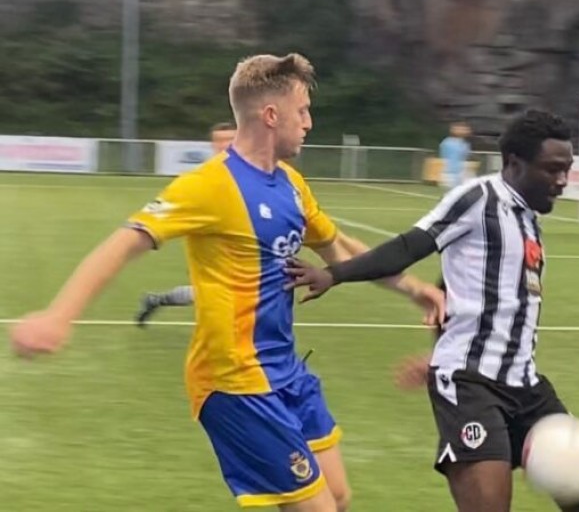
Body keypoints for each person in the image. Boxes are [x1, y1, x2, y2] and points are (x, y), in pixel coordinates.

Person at [10, 52, 444, 512]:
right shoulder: (210, 186)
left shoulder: (292, 184)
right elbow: (125, 242)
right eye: (302, 111)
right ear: (271, 115)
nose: (309, 123)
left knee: (337, 496)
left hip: (286, 370)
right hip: (234, 381)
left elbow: (340, 248)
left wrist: (416, 290)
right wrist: (59, 316)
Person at [287, 109, 579, 512]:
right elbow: (409, 246)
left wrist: (437, 350)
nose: (562, 180)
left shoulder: (528, 220)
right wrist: (335, 274)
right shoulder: (478, 199)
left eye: (567, 169)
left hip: (526, 385)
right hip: (471, 386)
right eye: (552, 169)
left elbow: (453, 290)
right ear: (514, 163)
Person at [134, 121, 238, 326]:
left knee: (209, 293)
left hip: (239, 244)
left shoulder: (248, 173)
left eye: (230, 139)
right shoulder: (203, 178)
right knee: (218, 294)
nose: (225, 144)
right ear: (213, 144)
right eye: (220, 140)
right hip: (213, 249)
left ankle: (156, 300)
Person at [439, 121, 472, 189]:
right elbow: (444, 157)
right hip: (450, 173)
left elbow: (464, 158)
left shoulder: (465, 144)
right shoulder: (448, 142)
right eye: (462, 129)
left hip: (463, 172)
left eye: (466, 129)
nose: (465, 131)